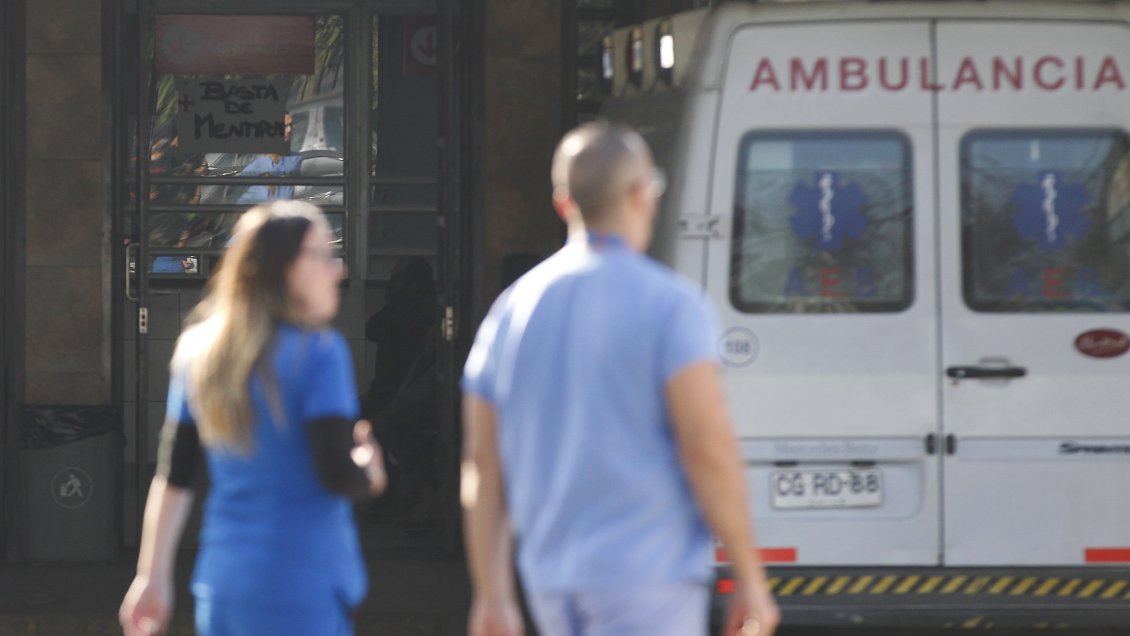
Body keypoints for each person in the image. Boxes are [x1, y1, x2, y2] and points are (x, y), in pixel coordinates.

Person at [460, 122, 780, 636]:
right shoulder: (673, 306)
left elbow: (482, 461)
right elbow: (709, 450)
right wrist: (749, 575)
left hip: (550, 578)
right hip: (649, 578)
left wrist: (493, 594)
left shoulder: (511, 310)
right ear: (641, 195)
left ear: (564, 204)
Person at [119, 200, 386, 636]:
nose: (336, 269)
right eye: (322, 254)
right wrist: (371, 472)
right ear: (284, 269)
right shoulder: (320, 353)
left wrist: (151, 577)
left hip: (224, 585)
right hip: (304, 588)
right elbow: (337, 473)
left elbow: (174, 477)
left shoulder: (198, 353)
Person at [237, 112, 302, 204]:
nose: (289, 130)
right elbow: (239, 187)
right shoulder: (257, 162)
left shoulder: (296, 159)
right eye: (284, 126)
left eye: (291, 125)